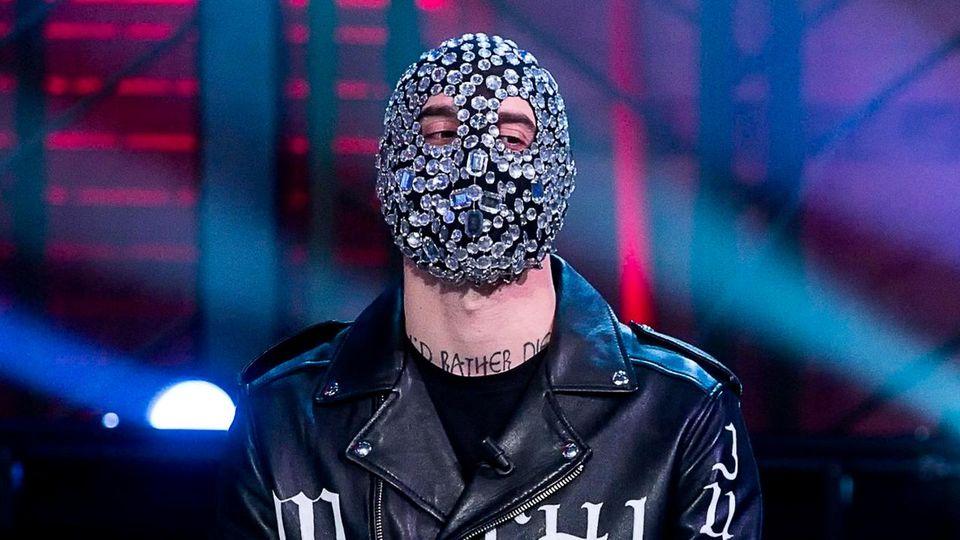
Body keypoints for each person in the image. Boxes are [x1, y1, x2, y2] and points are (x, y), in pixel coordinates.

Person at [217, 32, 762, 539]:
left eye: (512, 140)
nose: (477, 168)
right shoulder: (284, 416)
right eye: (440, 135)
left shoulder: (681, 414)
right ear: (389, 172)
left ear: (557, 177)